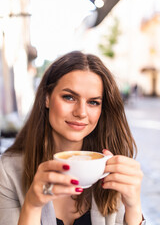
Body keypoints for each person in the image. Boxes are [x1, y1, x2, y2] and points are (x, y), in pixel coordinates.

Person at [0, 51, 146, 225]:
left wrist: (134, 207)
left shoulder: (111, 169)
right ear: (47, 98)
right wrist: (32, 205)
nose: (81, 113)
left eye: (93, 102)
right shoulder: (8, 171)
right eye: (69, 97)